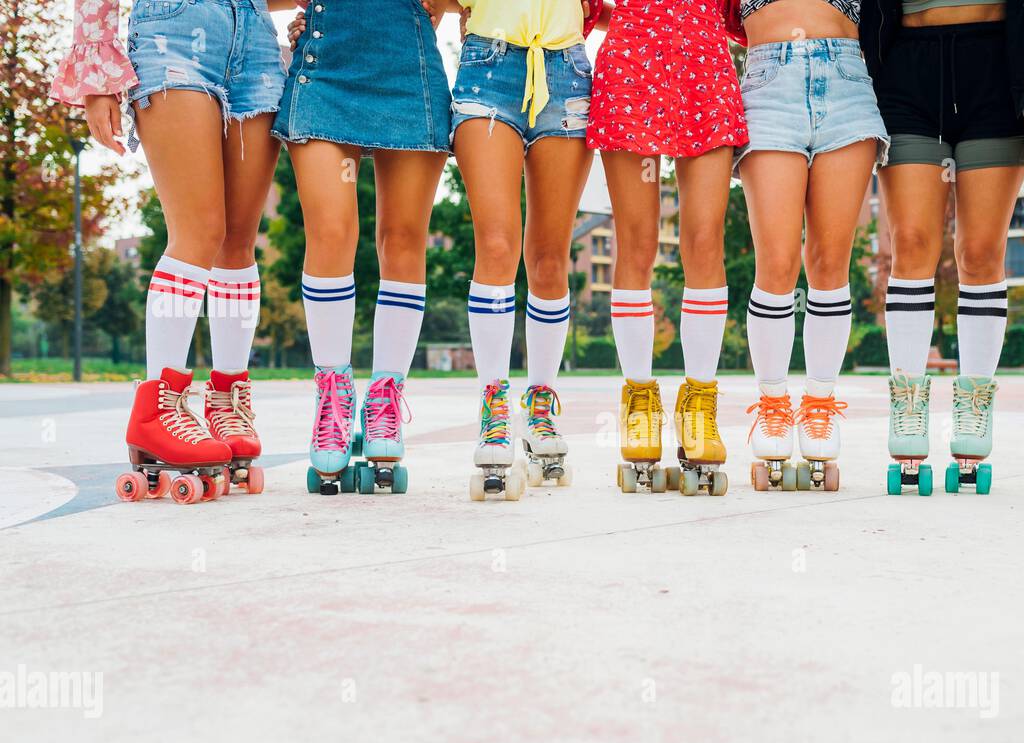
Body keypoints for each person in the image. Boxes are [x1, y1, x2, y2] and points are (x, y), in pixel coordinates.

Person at [54, 0, 295, 503]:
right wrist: (97, 75)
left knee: (237, 242)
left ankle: (227, 400)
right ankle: (155, 409)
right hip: (175, 33)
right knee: (198, 231)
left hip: (255, 39)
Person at [277, 0, 454, 496]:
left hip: (408, 65)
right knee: (331, 231)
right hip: (326, 68)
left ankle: (384, 398)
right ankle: (332, 395)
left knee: (402, 239)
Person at [860, 0, 1024, 496]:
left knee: (980, 252)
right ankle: (909, 403)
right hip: (906, 64)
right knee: (911, 242)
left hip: (994, 62)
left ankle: (975, 402)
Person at [590, 1, 748, 496]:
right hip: (631, 65)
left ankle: (698, 402)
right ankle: (639, 399)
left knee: (705, 240)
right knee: (636, 242)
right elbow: (587, 10)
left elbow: (742, 20)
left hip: (705, 64)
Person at [450, 0, 602, 500]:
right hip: (487, 68)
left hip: (568, 70)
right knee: (496, 244)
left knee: (550, 258)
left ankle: (540, 403)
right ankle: (494, 404)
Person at [734, 0, 887, 492]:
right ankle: (774, 405)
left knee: (829, 262)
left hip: (846, 78)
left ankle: (820, 404)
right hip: (767, 80)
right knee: (776, 262)